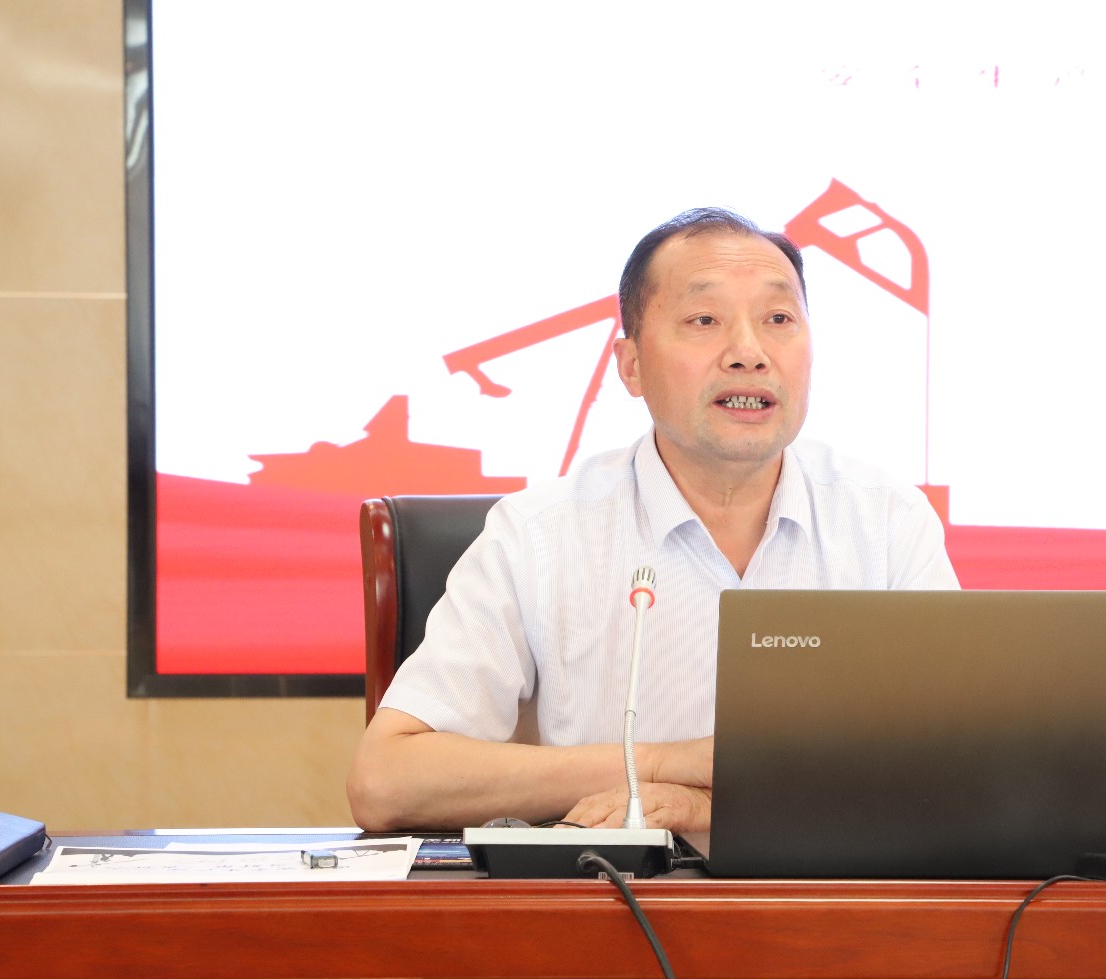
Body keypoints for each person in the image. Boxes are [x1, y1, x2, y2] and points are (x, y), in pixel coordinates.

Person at [346, 207, 959, 835]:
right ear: (631, 365)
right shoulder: (539, 536)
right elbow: (385, 782)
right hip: (610, 891)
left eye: (779, 319)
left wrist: (708, 810)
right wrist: (661, 766)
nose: (749, 353)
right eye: (704, 320)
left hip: (831, 896)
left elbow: (960, 772)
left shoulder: (885, 523)